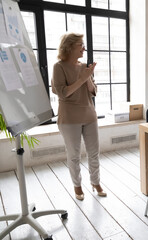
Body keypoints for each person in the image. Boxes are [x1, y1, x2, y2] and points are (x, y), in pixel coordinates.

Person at [52, 33, 106, 201]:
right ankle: (77, 186)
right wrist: (82, 78)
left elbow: (93, 91)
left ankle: (95, 182)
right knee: (74, 155)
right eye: (80, 45)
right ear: (69, 47)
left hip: (89, 115)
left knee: (94, 153)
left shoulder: (83, 66)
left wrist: (88, 77)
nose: (84, 48)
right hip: (69, 118)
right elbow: (62, 93)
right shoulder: (58, 66)